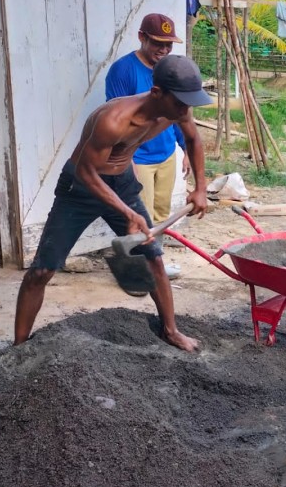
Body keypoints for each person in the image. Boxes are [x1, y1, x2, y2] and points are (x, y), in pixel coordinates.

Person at [13, 55, 211, 353]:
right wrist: (128, 212)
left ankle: (170, 331)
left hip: (123, 183)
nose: (185, 110)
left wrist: (201, 188)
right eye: (180, 103)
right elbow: (85, 171)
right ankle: (18, 347)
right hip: (80, 187)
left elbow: (194, 140)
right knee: (42, 270)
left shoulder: (177, 109)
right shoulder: (113, 120)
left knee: (153, 258)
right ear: (157, 93)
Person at [105, 13, 190, 279]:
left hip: (165, 154)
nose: (163, 51)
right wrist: (124, 159)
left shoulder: (170, 70)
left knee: (162, 214)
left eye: (169, 45)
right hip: (138, 157)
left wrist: (185, 148)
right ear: (142, 37)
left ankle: (156, 265)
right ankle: (138, 268)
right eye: (157, 44)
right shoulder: (122, 71)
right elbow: (117, 116)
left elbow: (176, 111)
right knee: (141, 217)